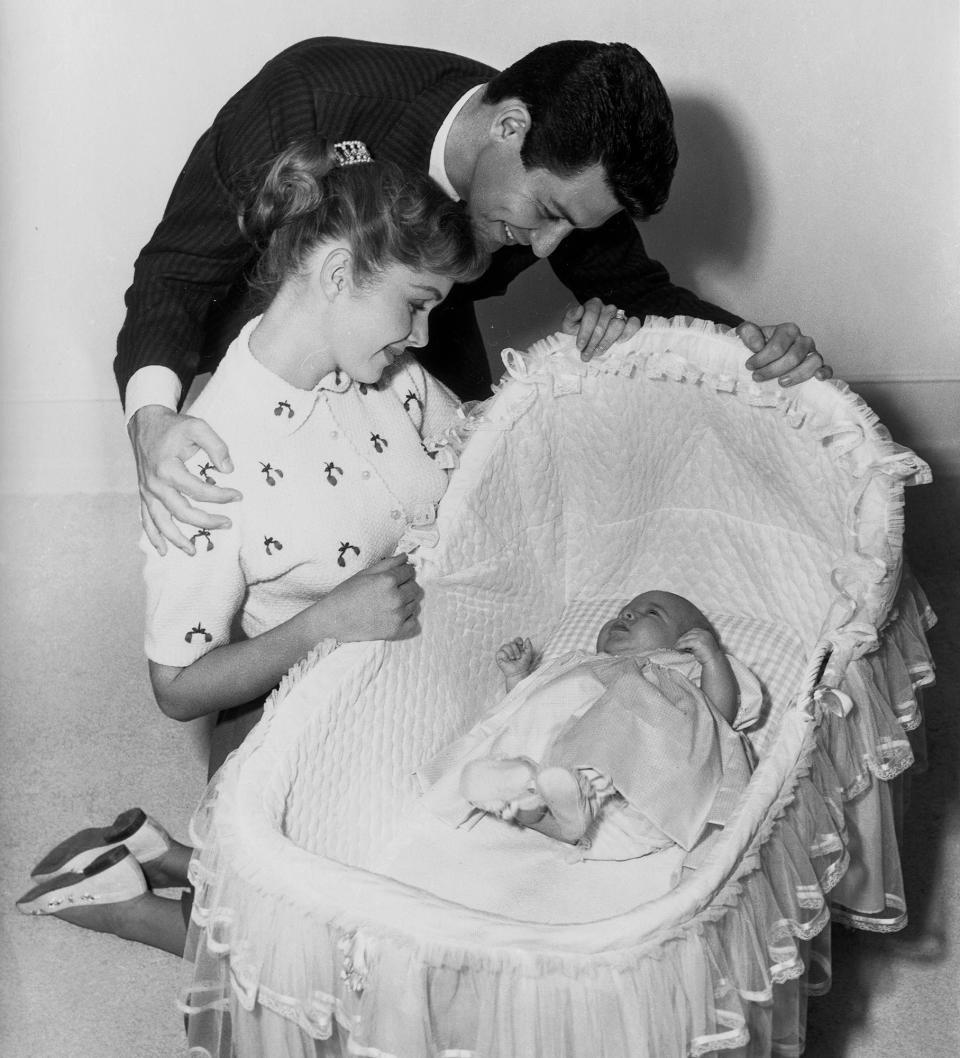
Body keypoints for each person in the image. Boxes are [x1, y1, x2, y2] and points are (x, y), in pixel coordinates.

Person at [15, 136, 488, 953]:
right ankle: (131, 903)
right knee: (340, 956)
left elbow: (480, 451)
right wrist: (322, 623)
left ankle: (168, 856)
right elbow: (176, 687)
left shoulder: (396, 377)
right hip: (293, 709)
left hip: (411, 683)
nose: (422, 333)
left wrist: (570, 368)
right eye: (416, 302)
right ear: (339, 276)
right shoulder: (206, 459)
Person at [116, 38, 833, 559]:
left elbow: (637, 290)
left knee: (473, 524)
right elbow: (177, 273)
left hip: (423, 339)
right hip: (269, 325)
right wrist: (153, 421)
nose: (550, 248)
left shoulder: (562, 175)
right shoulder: (310, 94)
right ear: (508, 125)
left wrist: (754, 342)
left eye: (573, 228)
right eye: (546, 212)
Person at [418, 591, 761, 861]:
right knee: (525, 754)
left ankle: (563, 807)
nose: (626, 614)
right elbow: (533, 711)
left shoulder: (681, 670)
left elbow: (718, 718)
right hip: (592, 818)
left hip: (651, 798)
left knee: (622, 708)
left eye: (651, 613)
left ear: (687, 640)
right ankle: (543, 813)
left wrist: (712, 659)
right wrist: (520, 678)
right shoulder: (581, 664)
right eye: (623, 610)